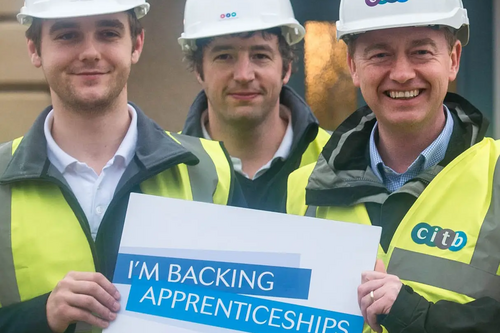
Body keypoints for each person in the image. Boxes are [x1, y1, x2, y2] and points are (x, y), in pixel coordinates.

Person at [0, 1, 239, 332]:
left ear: (136, 44)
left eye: (108, 33)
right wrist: (42, 315)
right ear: (34, 49)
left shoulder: (210, 170)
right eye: (67, 35)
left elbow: (247, 312)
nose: (90, 52)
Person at [287, 0, 500, 332]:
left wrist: (415, 315)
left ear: (453, 60)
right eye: (380, 54)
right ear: (353, 66)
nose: (401, 73)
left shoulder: (496, 174)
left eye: (421, 52)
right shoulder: (302, 189)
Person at [179, 0, 330, 212]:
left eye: (260, 56)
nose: (243, 75)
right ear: (199, 69)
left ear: (286, 68)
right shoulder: (167, 168)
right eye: (224, 56)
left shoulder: (340, 159)